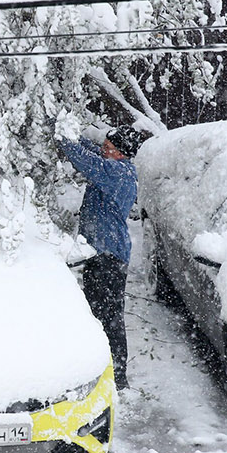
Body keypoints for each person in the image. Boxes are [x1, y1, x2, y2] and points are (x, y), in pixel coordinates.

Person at [58, 126, 141, 390]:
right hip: (100, 251)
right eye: (104, 146)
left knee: (109, 316)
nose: (103, 150)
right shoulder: (113, 163)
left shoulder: (117, 172)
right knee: (100, 312)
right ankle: (106, 372)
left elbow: (87, 161)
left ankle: (117, 378)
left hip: (110, 254)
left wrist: (62, 137)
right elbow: (92, 151)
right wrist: (71, 130)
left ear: (121, 154)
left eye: (108, 148)